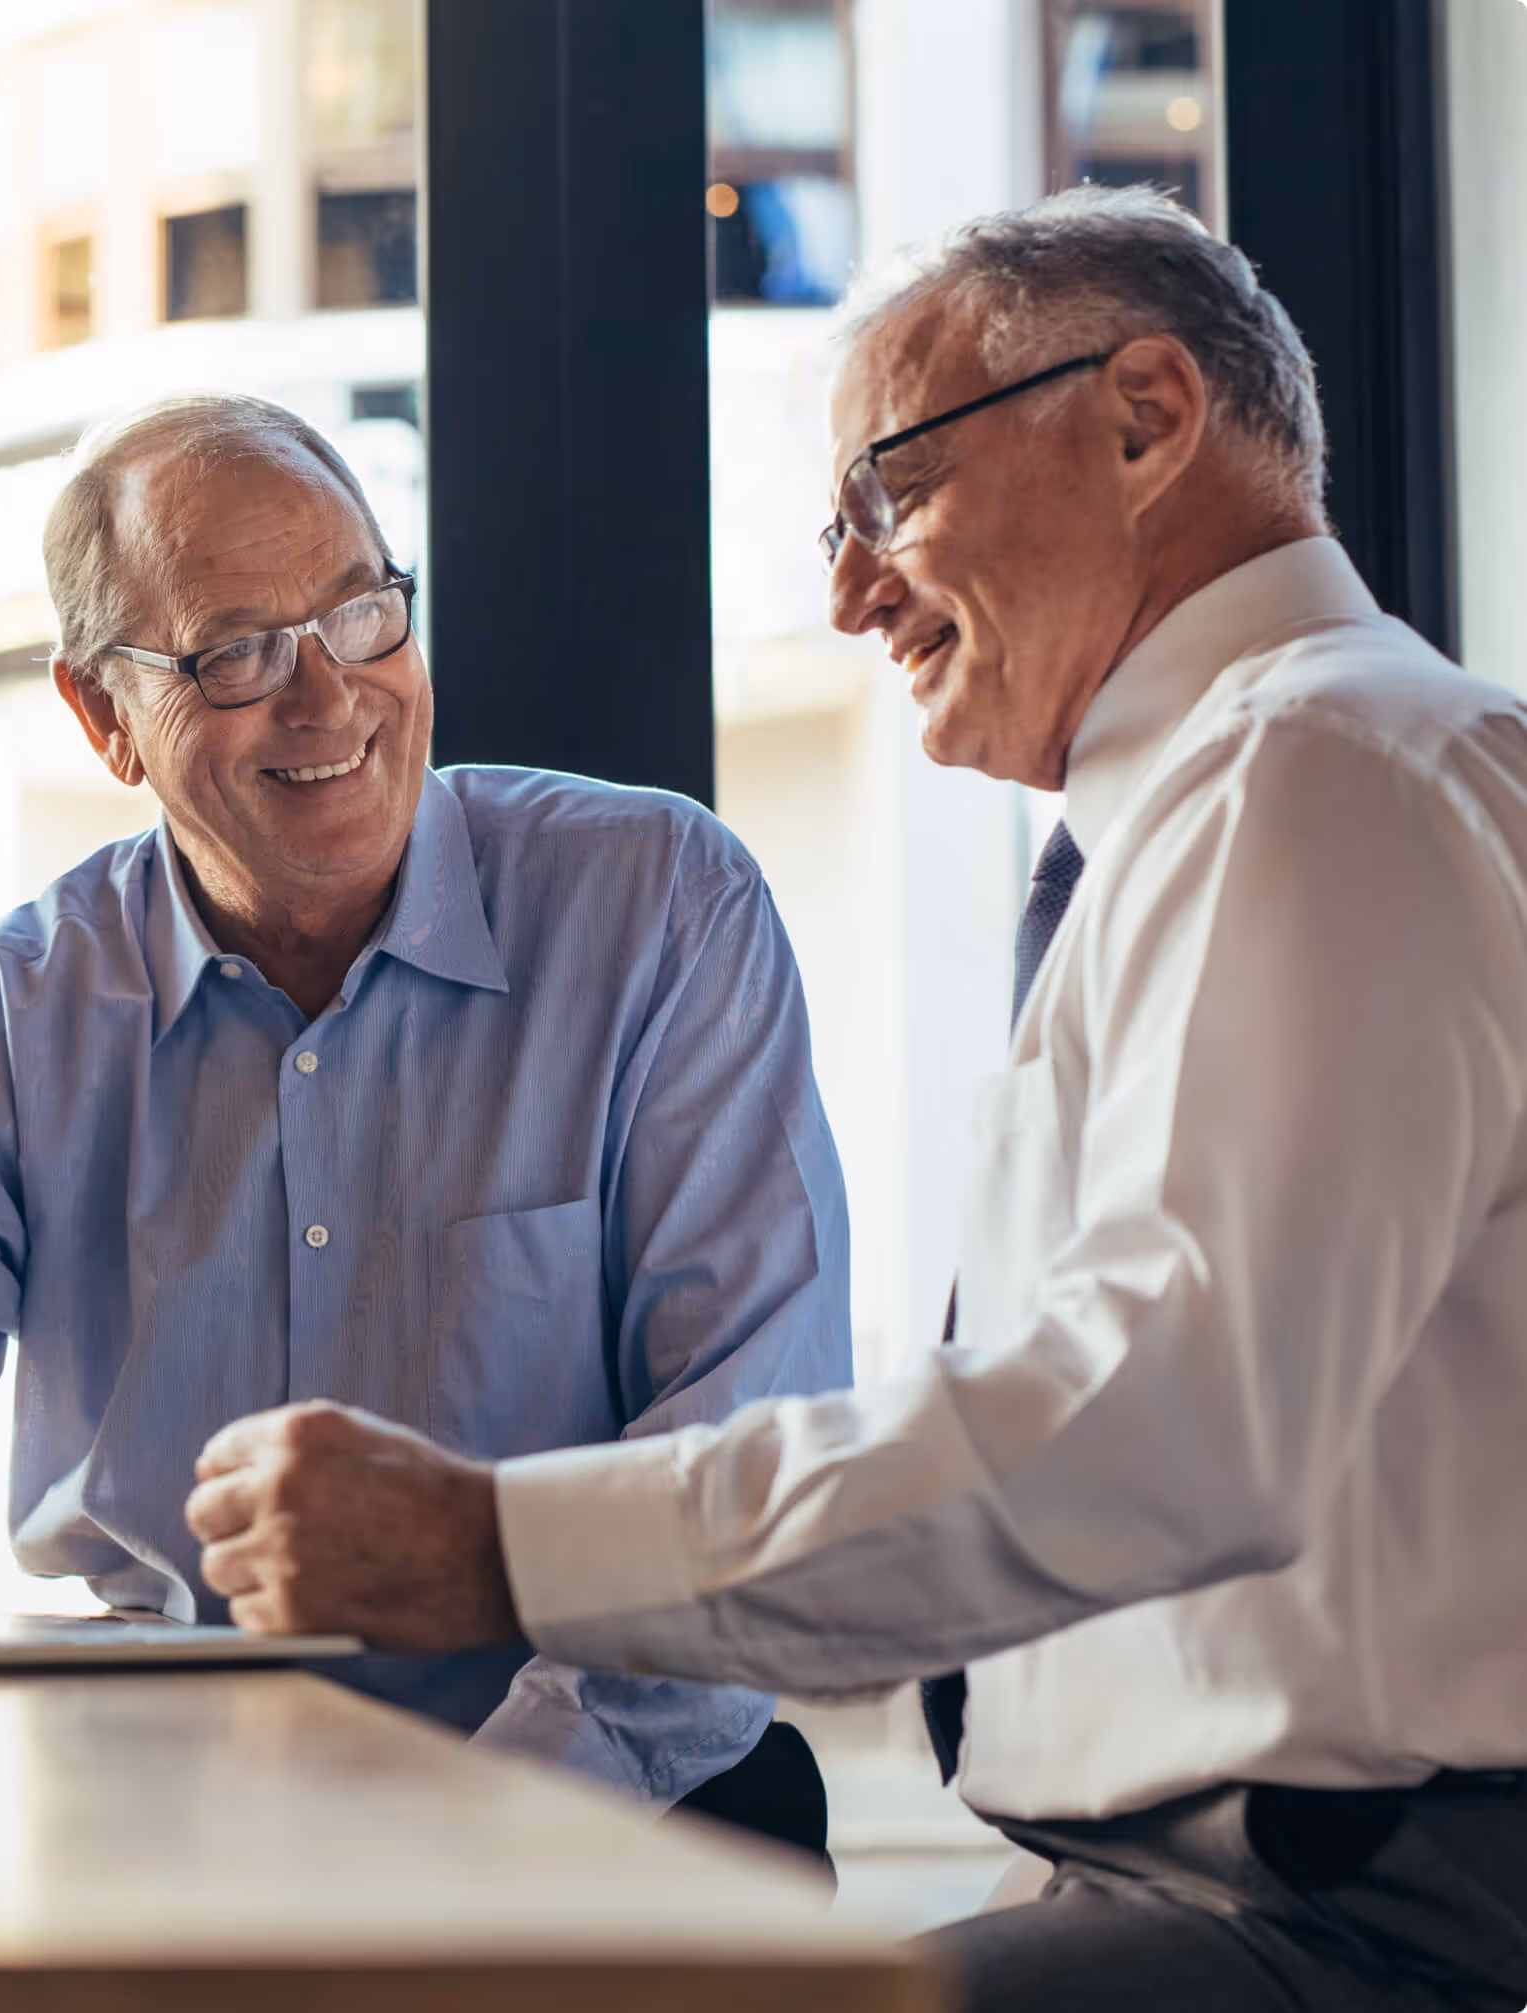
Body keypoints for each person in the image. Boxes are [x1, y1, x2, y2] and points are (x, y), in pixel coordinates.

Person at [182, 189, 1527, 2012]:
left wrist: (492, 1547)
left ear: (1141, 416)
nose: (844, 590)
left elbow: (1153, 1429)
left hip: (1346, 1926)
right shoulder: (1261, 792)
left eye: (886, 495)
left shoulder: (1317, 768)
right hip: (1207, 1897)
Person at [0, 392, 852, 1847]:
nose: (327, 698)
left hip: (611, 1803)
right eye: (235, 655)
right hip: (180, 1820)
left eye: (361, 616)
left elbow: (743, 1459)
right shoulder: (10, 1010)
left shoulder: (657, 905)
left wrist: (468, 1839)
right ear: (101, 716)